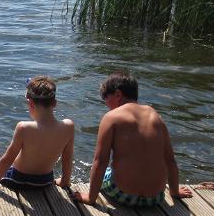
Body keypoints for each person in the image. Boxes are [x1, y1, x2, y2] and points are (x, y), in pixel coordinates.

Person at [74, 71, 192, 206]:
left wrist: (90, 198)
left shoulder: (111, 117)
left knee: (103, 170)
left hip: (122, 194)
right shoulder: (155, 115)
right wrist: (175, 191)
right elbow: (170, 160)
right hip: (155, 198)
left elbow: (100, 161)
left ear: (118, 94)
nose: (105, 103)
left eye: (105, 97)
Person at [0, 76, 74, 189]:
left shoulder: (24, 127)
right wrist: (64, 181)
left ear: (30, 103)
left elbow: (7, 159)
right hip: (44, 182)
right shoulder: (68, 126)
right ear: (55, 103)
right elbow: (67, 158)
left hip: (17, 180)